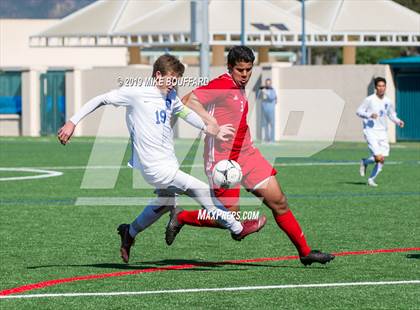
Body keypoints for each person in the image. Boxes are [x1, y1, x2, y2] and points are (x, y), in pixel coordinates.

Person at [57, 54, 266, 263]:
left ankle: (129, 232)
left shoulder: (170, 97)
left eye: (177, 80)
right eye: (171, 79)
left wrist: (209, 128)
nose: (174, 84)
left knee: (166, 202)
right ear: (158, 75)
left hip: (168, 162)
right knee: (201, 189)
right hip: (153, 167)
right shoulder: (137, 93)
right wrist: (72, 122)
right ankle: (237, 228)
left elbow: (185, 112)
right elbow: (100, 99)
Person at [166, 46, 335, 266]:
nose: (245, 75)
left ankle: (305, 252)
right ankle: (181, 217)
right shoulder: (223, 84)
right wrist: (211, 123)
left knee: (279, 202)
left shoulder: (239, 85)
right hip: (222, 161)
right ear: (229, 67)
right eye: (240, 70)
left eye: (248, 70)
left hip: (246, 154)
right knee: (231, 219)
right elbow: (187, 101)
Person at [357, 77, 404, 187]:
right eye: (379, 86)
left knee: (382, 159)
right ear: (375, 87)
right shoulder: (369, 99)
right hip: (370, 131)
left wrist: (398, 121)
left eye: (383, 86)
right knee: (378, 157)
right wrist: (369, 115)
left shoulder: (388, 101)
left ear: (385, 87)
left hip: (383, 132)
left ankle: (370, 179)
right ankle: (365, 162)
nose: (381, 88)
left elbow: (392, 114)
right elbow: (358, 111)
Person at [258, 78, 277, 143]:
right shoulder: (263, 90)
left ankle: (272, 140)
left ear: (270, 83)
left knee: (272, 125)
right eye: (267, 83)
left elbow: (272, 97)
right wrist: (261, 91)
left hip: (271, 110)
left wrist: (266, 93)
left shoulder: (272, 90)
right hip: (264, 110)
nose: (268, 84)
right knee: (265, 125)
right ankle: (266, 139)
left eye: (269, 83)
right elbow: (258, 97)